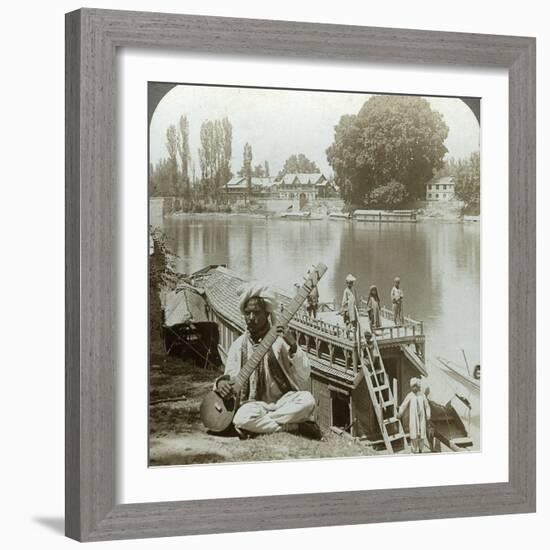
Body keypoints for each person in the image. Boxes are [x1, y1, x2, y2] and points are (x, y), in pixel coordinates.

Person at [215, 282, 321, 439]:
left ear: (267, 314)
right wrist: (220, 384)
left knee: (308, 401)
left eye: (256, 313)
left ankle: (260, 426)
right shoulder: (238, 346)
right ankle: (294, 426)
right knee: (240, 417)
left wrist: (293, 345)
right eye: (248, 313)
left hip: (285, 402)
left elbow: (305, 373)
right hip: (255, 406)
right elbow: (229, 377)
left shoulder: (280, 341)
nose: (251, 318)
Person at [397, 377, 431, 453]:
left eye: (415, 386)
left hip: (421, 418)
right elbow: (404, 405)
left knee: (421, 435)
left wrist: (428, 415)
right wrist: (400, 413)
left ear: (418, 386)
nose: (414, 388)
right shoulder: (410, 395)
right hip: (414, 419)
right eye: (412, 387)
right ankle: (413, 451)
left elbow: (427, 406)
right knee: (414, 435)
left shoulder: (422, 395)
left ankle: (420, 450)